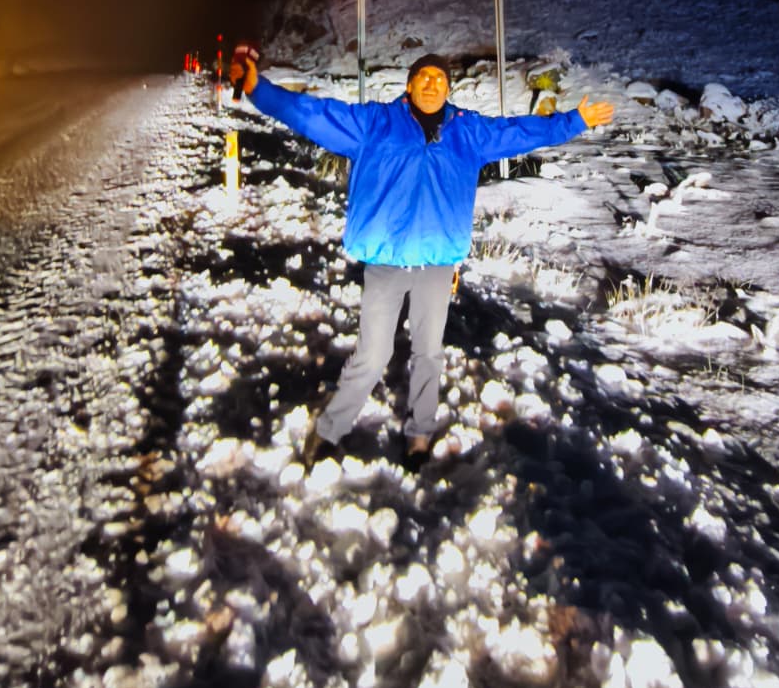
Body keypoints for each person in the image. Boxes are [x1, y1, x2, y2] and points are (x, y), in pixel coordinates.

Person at [229, 49, 614, 467]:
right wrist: (258, 89)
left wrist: (574, 121)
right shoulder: (374, 124)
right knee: (373, 355)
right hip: (386, 260)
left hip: (436, 262)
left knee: (428, 353)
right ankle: (329, 431)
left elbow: (519, 131)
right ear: (409, 85)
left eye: (440, 79)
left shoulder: (468, 131)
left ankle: (419, 434)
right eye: (424, 78)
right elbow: (311, 114)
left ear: (448, 89)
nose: (432, 85)